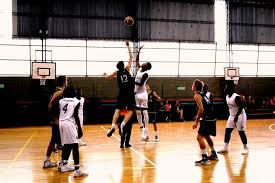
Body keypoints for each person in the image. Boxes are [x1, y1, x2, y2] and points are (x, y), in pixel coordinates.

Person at [104, 41, 135, 138]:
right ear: (123, 65)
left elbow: (108, 77)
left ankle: (113, 126)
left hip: (121, 93)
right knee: (131, 110)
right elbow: (131, 57)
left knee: (117, 110)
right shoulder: (127, 69)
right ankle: (122, 124)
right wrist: (128, 46)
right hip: (129, 93)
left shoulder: (116, 73)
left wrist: (105, 74)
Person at [58, 86, 88, 177]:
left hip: (61, 122)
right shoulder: (76, 101)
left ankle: (63, 164)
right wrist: (79, 129)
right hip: (69, 124)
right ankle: (77, 170)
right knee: (75, 146)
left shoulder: (61, 101)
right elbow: (75, 116)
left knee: (67, 144)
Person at [217, 80, 249, 155]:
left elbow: (241, 106)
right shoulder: (227, 96)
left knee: (241, 132)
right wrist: (232, 116)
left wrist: (236, 116)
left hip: (240, 115)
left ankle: (246, 148)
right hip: (232, 116)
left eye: (226, 87)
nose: (224, 88)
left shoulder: (236, 97)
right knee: (227, 131)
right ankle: (225, 148)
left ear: (230, 88)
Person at [43, 75, 68, 168]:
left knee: (53, 141)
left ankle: (47, 160)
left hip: (59, 120)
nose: (67, 81)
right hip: (57, 120)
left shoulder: (59, 91)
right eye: (67, 80)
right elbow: (50, 106)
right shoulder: (59, 92)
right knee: (62, 141)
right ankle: (62, 163)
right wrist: (55, 119)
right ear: (63, 82)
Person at [192, 79, 218, 166]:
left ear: (195, 87)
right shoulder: (204, 94)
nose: (191, 86)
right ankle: (214, 154)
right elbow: (206, 107)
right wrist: (198, 116)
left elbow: (201, 109)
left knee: (199, 137)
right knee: (206, 136)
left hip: (207, 118)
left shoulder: (197, 96)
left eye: (193, 84)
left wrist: (196, 121)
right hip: (212, 117)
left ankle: (204, 158)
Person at [134, 45, 152, 141]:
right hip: (136, 94)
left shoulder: (145, 74)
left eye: (144, 63)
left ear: (147, 67)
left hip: (143, 94)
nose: (142, 63)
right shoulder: (140, 69)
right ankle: (142, 129)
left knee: (144, 112)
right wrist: (139, 51)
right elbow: (137, 61)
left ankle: (146, 131)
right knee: (138, 112)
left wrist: (132, 81)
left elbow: (141, 84)